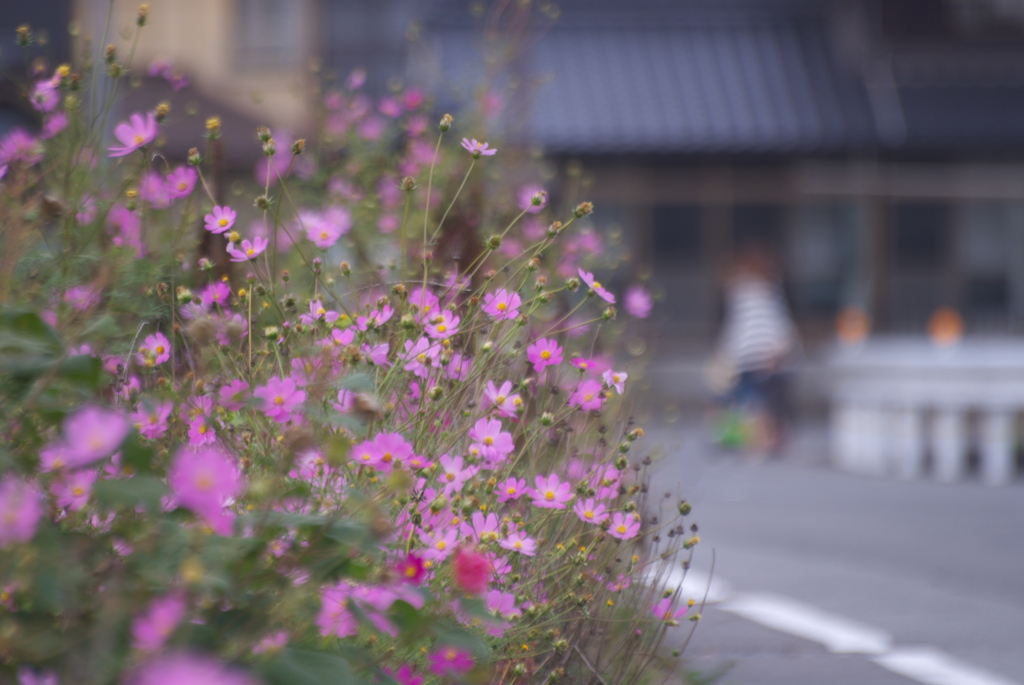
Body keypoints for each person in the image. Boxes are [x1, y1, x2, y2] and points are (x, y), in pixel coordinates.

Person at [712, 247, 799, 455]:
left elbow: (737, 328)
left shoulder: (740, 292)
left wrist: (724, 354)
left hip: (748, 357)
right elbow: (778, 325)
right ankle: (768, 439)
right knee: (766, 403)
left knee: (751, 402)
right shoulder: (770, 290)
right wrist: (781, 349)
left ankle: (759, 440)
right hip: (770, 357)